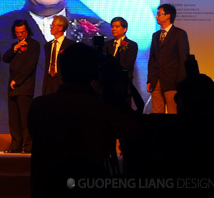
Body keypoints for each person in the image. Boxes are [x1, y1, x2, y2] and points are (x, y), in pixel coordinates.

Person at [28, 43, 139, 198]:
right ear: (94, 74)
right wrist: (118, 98)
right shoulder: (98, 108)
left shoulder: (38, 106)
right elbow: (134, 131)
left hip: (45, 188)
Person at [2, 19, 40, 154]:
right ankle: (16, 144)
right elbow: (5, 58)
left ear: (27, 31)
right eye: (17, 32)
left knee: (25, 119)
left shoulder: (34, 45)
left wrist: (17, 80)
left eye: (22, 32)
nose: (20, 35)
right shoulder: (15, 45)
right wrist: (15, 48)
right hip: (12, 88)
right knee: (14, 119)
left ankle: (28, 145)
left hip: (24, 86)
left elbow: (30, 66)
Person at [147, 3, 190, 114]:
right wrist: (149, 80)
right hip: (156, 81)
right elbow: (152, 59)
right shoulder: (155, 35)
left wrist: (181, 82)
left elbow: (183, 59)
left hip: (173, 81)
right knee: (157, 113)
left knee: (173, 112)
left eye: (159, 14)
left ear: (168, 16)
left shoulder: (179, 34)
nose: (156, 16)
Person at [103, 16, 138, 104]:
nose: (113, 29)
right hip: (108, 84)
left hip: (123, 83)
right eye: (112, 26)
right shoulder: (106, 44)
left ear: (125, 29)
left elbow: (128, 65)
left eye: (117, 26)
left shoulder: (131, 45)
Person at [42, 15, 75, 95]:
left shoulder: (70, 45)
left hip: (62, 81)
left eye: (53, 25)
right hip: (49, 81)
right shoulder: (48, 46)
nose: (51, 27)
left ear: (60, 28)